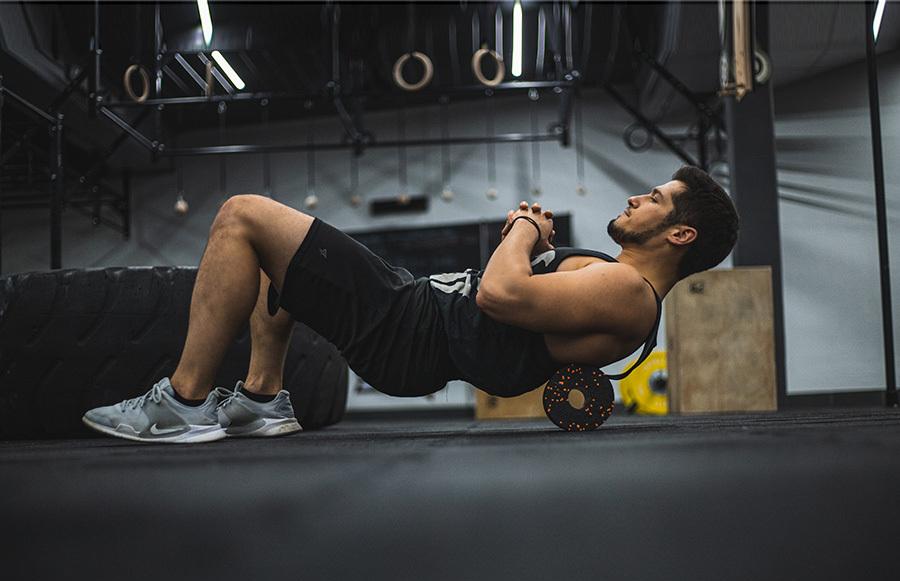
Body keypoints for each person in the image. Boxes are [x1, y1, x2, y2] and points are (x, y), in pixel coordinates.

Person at [82, 165, 739, 443]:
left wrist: (526, 230)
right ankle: (259, 396)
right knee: (269, 264)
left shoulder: (629, 291)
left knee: (241, 215)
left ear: (681, 234)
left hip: (407, 325)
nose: (634, 200)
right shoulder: (622, 293)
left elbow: (499, 292)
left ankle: (183, 402)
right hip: (413, 316)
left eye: (653, 199)